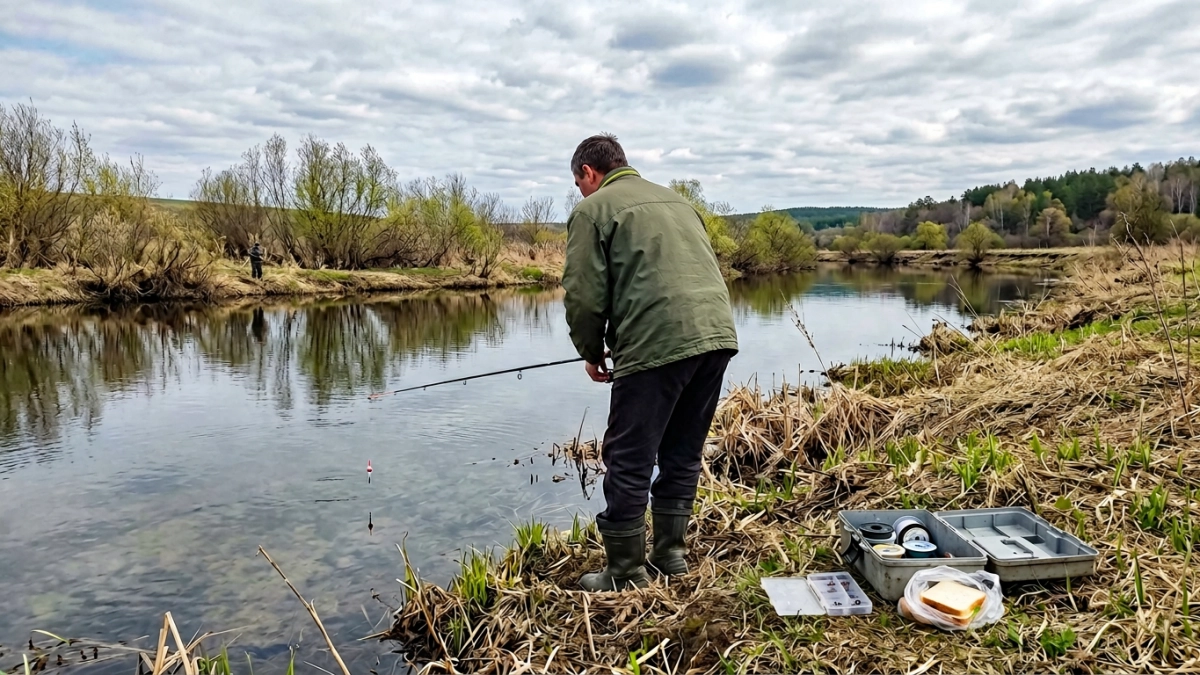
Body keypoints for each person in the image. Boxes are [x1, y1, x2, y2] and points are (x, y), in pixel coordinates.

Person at [562, 134, 738, 591]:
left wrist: (590, 349)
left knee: (629, 456)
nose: (580, 191)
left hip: (654, 343)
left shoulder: (592, 209)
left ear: (588, 173)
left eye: (577, 182)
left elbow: (582, 294)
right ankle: (671, 557)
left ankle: (624, 572)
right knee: (682, 451)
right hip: (716, 336)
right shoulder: (677, 201)